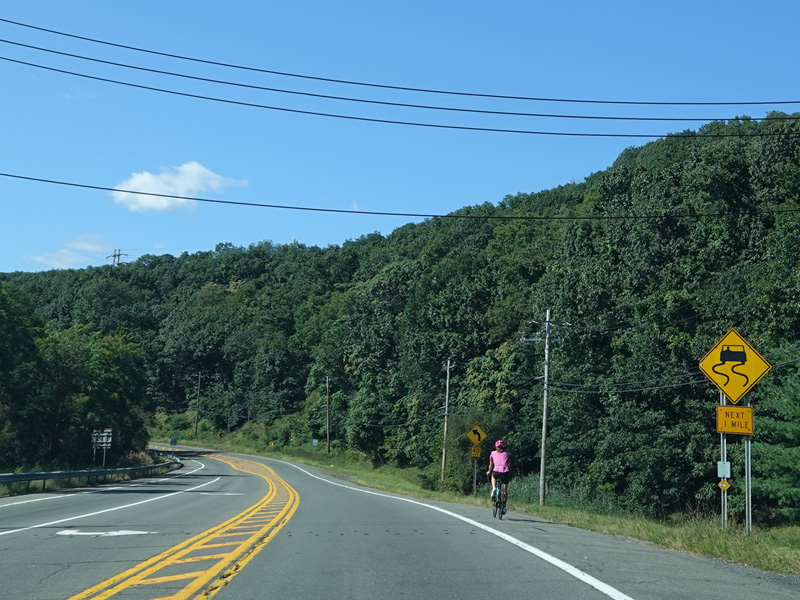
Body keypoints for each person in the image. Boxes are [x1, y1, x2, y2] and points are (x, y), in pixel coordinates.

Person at [486, 439, 511, 513]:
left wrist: (489, 471)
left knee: (493, 476)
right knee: (505, 491)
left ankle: (494, 488)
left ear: (496, 447)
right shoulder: (507, 454)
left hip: (496, 471)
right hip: (504, 472)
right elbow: (509, 464)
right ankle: (504, 507)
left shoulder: (492, 453)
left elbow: (491, 464)